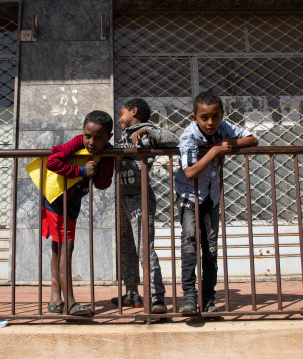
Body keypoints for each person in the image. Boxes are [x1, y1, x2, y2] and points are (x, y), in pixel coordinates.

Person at [175, 90, 258, 314]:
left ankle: (209, 299)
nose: (210, 122)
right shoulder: (188, 136)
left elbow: (253, 139)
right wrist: (214, 151)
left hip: (211, 196)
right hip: (189, 196)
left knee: (210, 249)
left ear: (222, 115)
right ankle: (190, 297)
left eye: (215, 116)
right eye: (204, 117)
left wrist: (226, 142)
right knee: (189, 246)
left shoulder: (224, 127)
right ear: (194, 117)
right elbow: (190, 172)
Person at [111, 98, 179, 314]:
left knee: (144, 249)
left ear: (134, 111)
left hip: (139, 198)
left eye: (121, 113)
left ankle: (157, 297)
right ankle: (131, 293)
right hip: (122, 197)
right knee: (126, 247)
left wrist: (150, 133)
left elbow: (174, 140)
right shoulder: (123, 135)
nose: (119, 118)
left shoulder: (147, 130)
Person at [44, 110, 114, 316]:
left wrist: (106, 158)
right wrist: (82, 171)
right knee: (66, 247)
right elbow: (52, 162)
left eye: (99, 138)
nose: (91, 142)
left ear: (108, 137)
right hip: (57, 201)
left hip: (71, 204)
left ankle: (55, 298)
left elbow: (101, 184)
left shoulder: (104, 150)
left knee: (58, 248)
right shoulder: (76, 143)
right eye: (88, 135)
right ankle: (71, 302)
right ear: (82, 133)